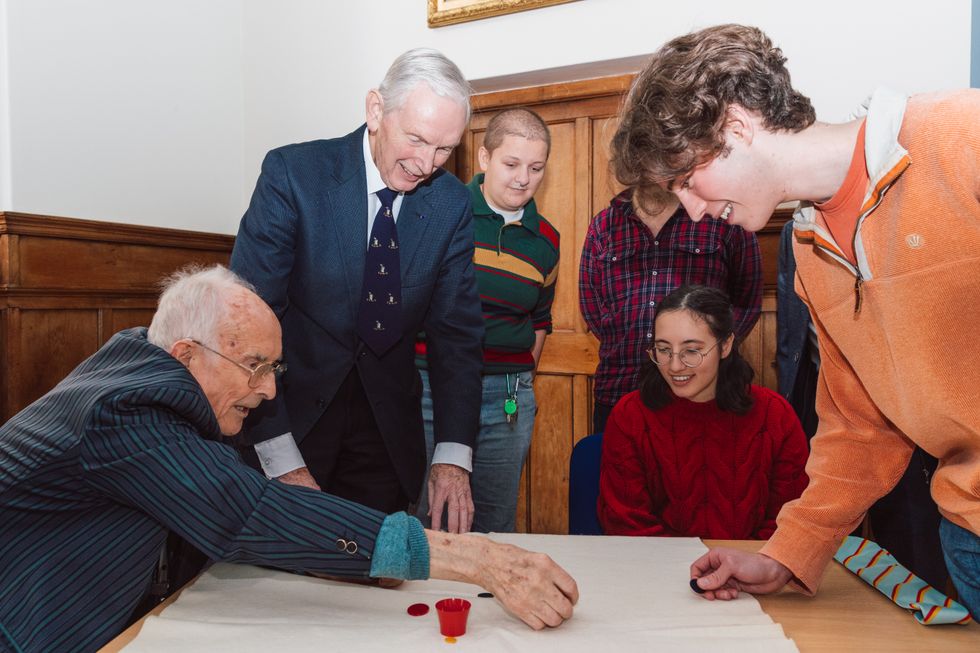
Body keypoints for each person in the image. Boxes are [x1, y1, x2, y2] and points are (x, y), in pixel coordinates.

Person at [0, 265, 578, 653]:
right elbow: (249, 513)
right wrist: (477, 557)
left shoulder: (149, 370)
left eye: (274, 369)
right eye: (256, 366)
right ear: (186, 353)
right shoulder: (125, 411)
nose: (270, 391)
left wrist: (359, 557)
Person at [613, 23, 980, 615]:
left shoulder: (960, 136)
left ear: (735, 125)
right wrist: (785, 554)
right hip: (967, 538)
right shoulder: (808, 253)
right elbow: (862, 429)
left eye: (686, 180)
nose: (694, 212)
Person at [230, 48, 484, 533]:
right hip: (290, 418)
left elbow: (457, 336)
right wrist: (279, 455)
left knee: (378, 582)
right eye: (417, 139)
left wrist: (452, 455)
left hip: (385, 438)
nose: (426, 164)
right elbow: (247, 321)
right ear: (375, 111)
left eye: (444, 149)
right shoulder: (293, 175)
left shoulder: (450, 203)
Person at [416, 108, 558, 533]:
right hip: (428, 390)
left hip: (508, 399)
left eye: (535, 168)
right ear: (483, 158)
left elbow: (540, 320)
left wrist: (517, 375)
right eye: (511, 164)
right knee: (426, 516)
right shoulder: (441, 211)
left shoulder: (547, 240)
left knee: (494, 520)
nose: (522, 179)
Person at [598, 284, 808, 539]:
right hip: (656, 568)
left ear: (726, 345)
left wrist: (743, 565)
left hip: (754, 569)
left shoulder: (774, 415)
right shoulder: (630, 416)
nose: (675, 366)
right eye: (663, 350)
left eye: (692, 351)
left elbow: (790, 521)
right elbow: (626, 522)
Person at [579, 180, 762, 435]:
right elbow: (593, 309)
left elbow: (747, 301)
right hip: (619, 390)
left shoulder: (720, 216)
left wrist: (703, 355)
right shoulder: (603, 225)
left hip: (706, 398)